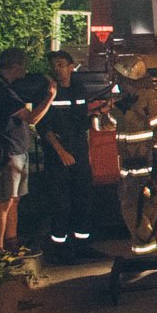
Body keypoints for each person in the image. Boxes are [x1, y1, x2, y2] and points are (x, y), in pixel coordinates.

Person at [106, 55, 157, 255]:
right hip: (130, 168)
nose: (118, 83)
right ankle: (147, 251)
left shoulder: (151, 99)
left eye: (120, 79)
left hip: (148, 165)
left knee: (155, 208)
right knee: (133, 208)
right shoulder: (125, 102)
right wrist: (107, 114)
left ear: (129, 79)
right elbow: (112, 126)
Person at [36, 50, 105, 264]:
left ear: (71, 66)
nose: (57, 69)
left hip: (79, 152)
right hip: (58, 156)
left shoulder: (78, 88)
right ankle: (60, 249)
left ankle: (82, 245)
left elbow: (80, 121)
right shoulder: (46, 91)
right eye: (53, 65)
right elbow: (43, 126)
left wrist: (98, 114)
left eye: (60, 64)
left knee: (83, 200)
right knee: (61, 204)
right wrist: (60, 151)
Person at [0, 48, 57, 255]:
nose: (26, 71)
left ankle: (11, 242)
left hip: (16, 149)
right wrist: (49, 96)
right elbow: (32, 118)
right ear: (16, 66)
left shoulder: (4, 85)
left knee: (14, 199)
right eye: (24, 66)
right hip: (8, 151)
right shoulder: (0, 90)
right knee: (4, 201)